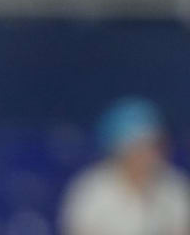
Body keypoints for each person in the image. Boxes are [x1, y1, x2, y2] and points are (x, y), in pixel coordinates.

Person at [59, 96, 190, 235]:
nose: (148, 155)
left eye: (153, 145)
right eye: (138, 147)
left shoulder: (176, 186)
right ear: (118, 149)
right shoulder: (90, 189)